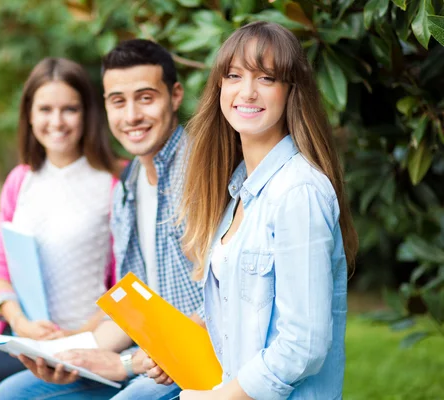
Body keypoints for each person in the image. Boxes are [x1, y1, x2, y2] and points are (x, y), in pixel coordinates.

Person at [147, 21, 359, 399]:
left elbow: (303, 344)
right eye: (234, 75)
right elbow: (243, 313)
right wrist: (181, 344)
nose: (246, 91)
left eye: (266, 78)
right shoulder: (238, 191)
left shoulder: (298, 193)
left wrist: (220, 397)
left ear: (291, 92)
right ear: (220, 87)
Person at [0, 39, 204, 400]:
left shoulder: (201, 176)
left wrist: (127, 364)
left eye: (146, 98)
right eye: (119, 101)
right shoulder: (129, 187)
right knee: (11, 395)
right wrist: (68, 354)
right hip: (146, 357)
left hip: (195, 362)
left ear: (175, 96)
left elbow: (222, 304)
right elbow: (131, 307)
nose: (132, 115)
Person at [0, 57, 122, 400]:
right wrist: (20, 323)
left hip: (85, 339)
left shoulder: (114, 182)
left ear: (87, 113)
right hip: (22, 334)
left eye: (69, 109)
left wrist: (78, 333)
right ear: (29, 114)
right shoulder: (19, 181)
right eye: (45, 109)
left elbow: (127, 281)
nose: (57, 121)